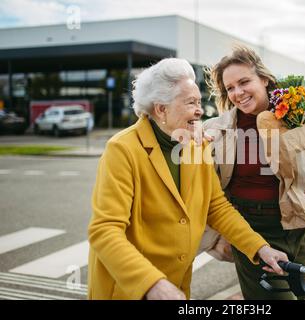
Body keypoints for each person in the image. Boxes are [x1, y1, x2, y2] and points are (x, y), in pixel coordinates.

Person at [87, 58, 289, 300]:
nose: (200, 111)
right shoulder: (122, 149)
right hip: (131, 288)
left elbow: (217, 207)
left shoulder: (197, 145)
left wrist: (260, 248)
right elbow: (105, 230)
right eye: (191, 102)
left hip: (176, 285)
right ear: (161, 109)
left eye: (199, 101)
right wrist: (151, 284)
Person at [202, 45, 305, 299]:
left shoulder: (294, 112)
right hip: (251, 229)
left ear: (264, 78)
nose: (238, 93)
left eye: (244, 82)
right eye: (230, 88)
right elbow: (198, 183)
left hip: (296, 225)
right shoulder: (217, 129)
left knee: (298, 294)